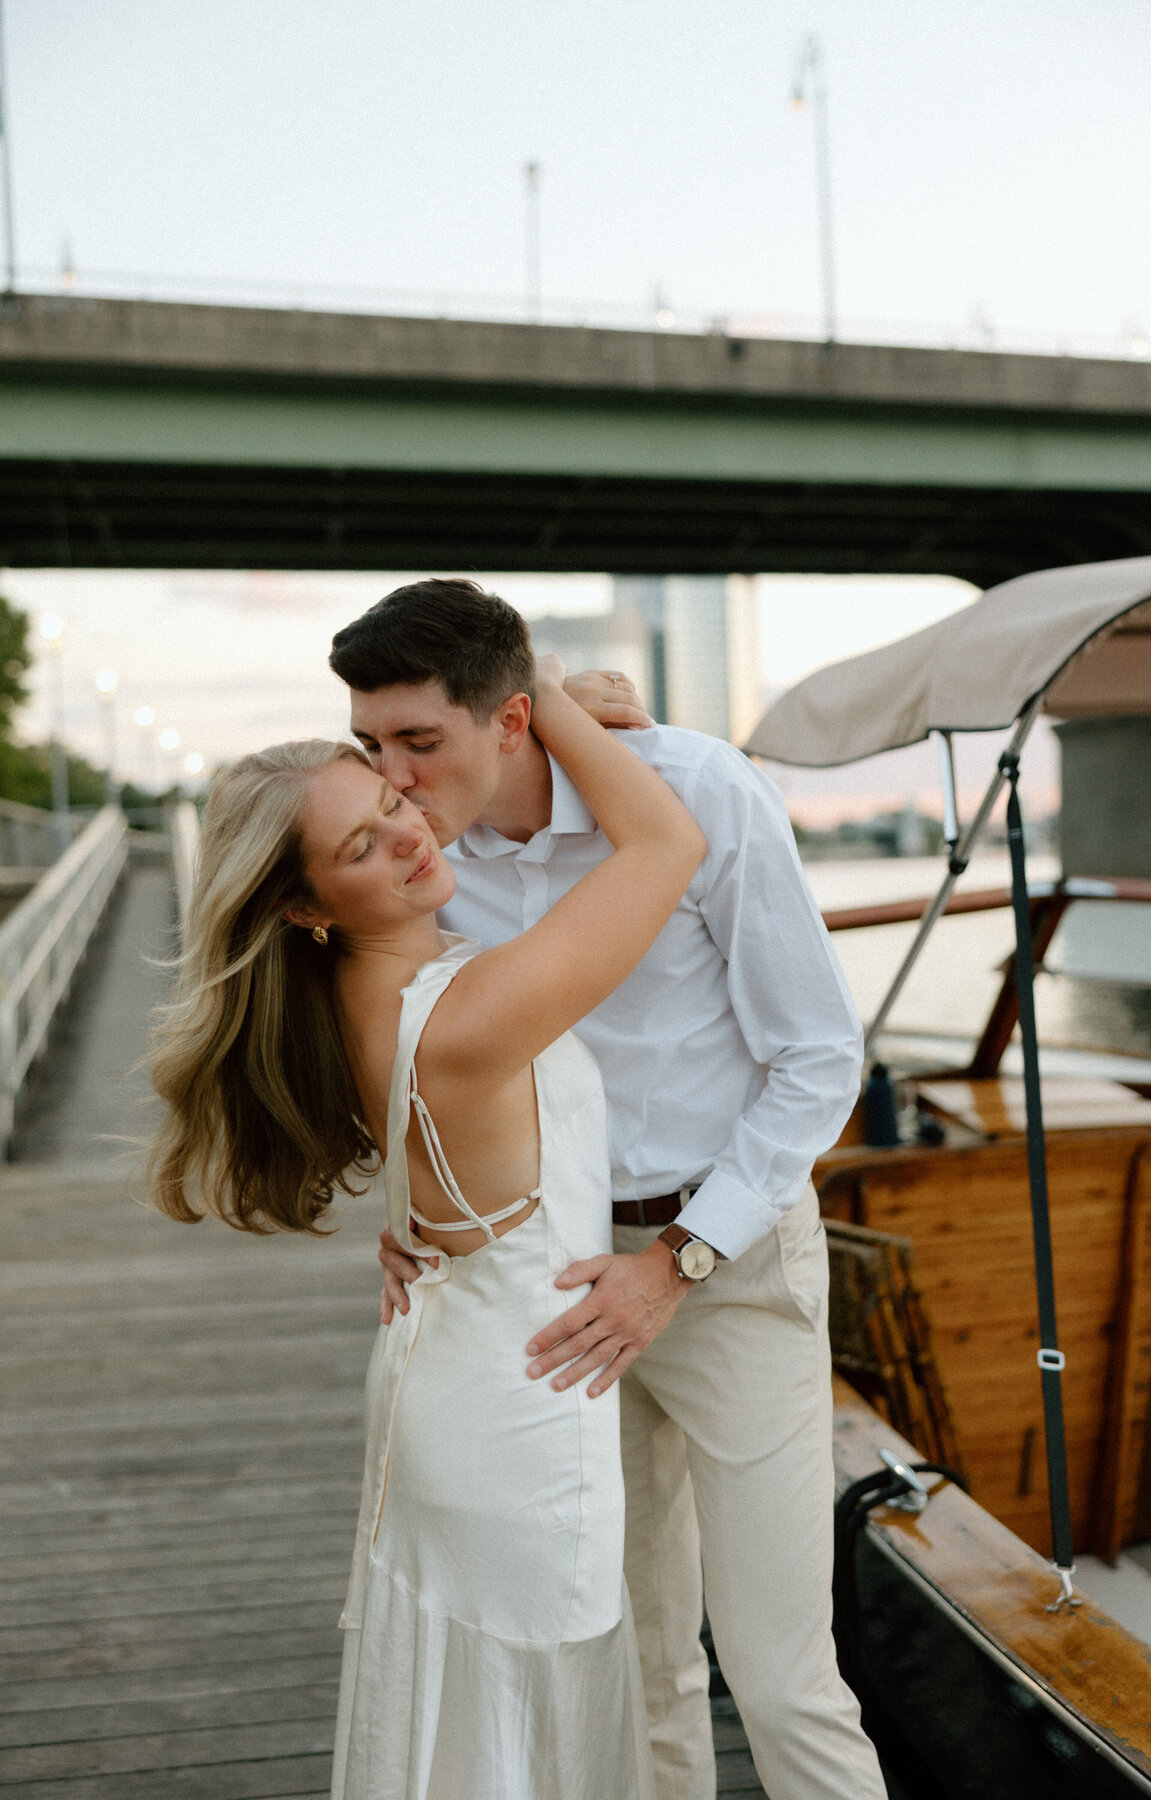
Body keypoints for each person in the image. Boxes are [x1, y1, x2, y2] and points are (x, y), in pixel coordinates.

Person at [331, 579, 887, 1800]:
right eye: (376, 745)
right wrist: (409, 1217)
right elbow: (413, 1049)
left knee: (782, 1674)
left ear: (514, 721)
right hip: (558, 1277)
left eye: (422, 741)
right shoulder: (418, 864)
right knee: (638, 1664)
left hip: (726, 1262)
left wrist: (677, 1263)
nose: (398, 778)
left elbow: (817, 1058)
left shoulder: (696, 790)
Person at [146, 662, 708, 1800]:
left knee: (471, 1751)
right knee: (537, 1758)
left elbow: (450, 1166)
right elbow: (665, 847)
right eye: (362, 846)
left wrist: (421, 1226)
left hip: (446, 1388)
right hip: (526, 1425)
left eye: (395, 801)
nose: (407, 835)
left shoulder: (369, 1001)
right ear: (306, 909)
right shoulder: (470, 1013)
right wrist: (533, 692)